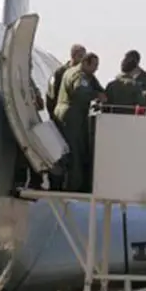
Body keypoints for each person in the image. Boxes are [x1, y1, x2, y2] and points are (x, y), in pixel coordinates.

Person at [54, 52, 106, 193]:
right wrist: (96, 95)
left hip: (69, 114)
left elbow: (98, 87)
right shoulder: (79, 75)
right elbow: (80, 91)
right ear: (85, 63)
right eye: (94, 65)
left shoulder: (79, 73)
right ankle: (73, 186)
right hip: (71, 115)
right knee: (74, 151)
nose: (96, 69)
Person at [46, 44, 87, 120]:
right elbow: (51, 96)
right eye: (80, 56)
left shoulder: (83, 74)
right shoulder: (60, 73)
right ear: (73, 56)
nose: (82, 61)